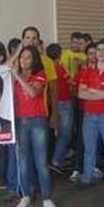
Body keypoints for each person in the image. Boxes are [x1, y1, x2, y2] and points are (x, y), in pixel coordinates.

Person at [11, 45, 58, 207]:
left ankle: (46, 198)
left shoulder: (40, 74)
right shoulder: (14, 76)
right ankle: (25, 196)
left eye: (28, 57)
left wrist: (18, 76)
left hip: (38, 121)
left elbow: (33, 92)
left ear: (34, 60)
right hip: (21, 121)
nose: (24, 60)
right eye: (22, 57)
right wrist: (18, 51)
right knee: (23, 161)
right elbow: (7, 67)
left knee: (41, 161)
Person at [77, 39, 104, 186]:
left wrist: (93, 91)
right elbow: (81, 94)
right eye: (99, 49)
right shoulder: (87, 70)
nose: (101, 53)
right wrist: (103, 93)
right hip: (89, 116)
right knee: (89, 149)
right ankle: (87, 178)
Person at [69, 42, 97, 183]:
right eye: (90, 53)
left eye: (95, 53)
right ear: (87, 56)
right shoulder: (81, 72)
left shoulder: (103, 71)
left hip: (101, 111)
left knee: (98, 139)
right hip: (83, 110)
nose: (93, 56)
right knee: (82, 138)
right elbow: (75, 92)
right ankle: (78, 168)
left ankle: (95, 166)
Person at [45, 43, 73, 174]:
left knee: (60, 133)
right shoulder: (58, 67)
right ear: (59, 54)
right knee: (65, 134)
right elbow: (70, 82)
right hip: (64, 103)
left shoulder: (49, 66)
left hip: (56, 104)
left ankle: (57, 159)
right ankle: (56, 160)